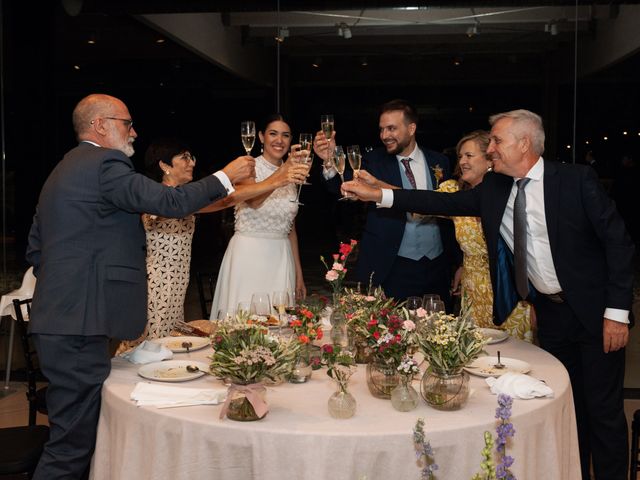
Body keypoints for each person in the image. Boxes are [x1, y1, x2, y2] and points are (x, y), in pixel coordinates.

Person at [343, 109, 634, 480]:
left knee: (604, 413)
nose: (490, 148)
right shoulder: (495, 188)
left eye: (496, 140)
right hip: (552, 314)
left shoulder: (576, 180)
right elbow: (441, 203)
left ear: (524, 143)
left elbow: (619, 245)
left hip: (597, 313)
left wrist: (617, 313)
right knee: (568, 407)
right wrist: (378, 195)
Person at [25, 93, 255, 480]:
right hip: (80, 324)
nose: (134, 131)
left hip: (64, 319)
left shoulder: (62, 170)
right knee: (70, 446)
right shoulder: (105, 162)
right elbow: (170, 201)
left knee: (77, 436)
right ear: (99, 125)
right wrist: (225, 176)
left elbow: (36, 250)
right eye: (126, 123)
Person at [118, 138, 308, 345]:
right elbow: (219, 199)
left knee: (167, 343)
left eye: (192, 157)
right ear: (164, 165)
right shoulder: (159, 198)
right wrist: (276, 179)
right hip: (155, 284)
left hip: (178, 283)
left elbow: (227, 200)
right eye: (184, 157)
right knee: (152, 343)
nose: (192, 163)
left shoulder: (184, 199)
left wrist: (278, 177)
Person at [313, 99, 460, 303]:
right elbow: (345, 184)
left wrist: (458, 263)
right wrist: (329, 161)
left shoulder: (439, 161)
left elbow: (452, 212)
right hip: (391, 264)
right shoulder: (374, 161)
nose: (384, 136)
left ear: (411, 128)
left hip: (436, 265)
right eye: (382, 130)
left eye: (391, 128)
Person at [210, 114, 308, 319]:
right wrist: (281, 176)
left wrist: (298, 273)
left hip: (281, 257)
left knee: (279, 323)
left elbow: (290, 228)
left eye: (285, 135)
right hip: (248, 255)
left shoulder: (292, 174)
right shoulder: (247, 166)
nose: (279, 140)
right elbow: (254, 202)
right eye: (273, 134)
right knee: (243, 322)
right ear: (262, 137)